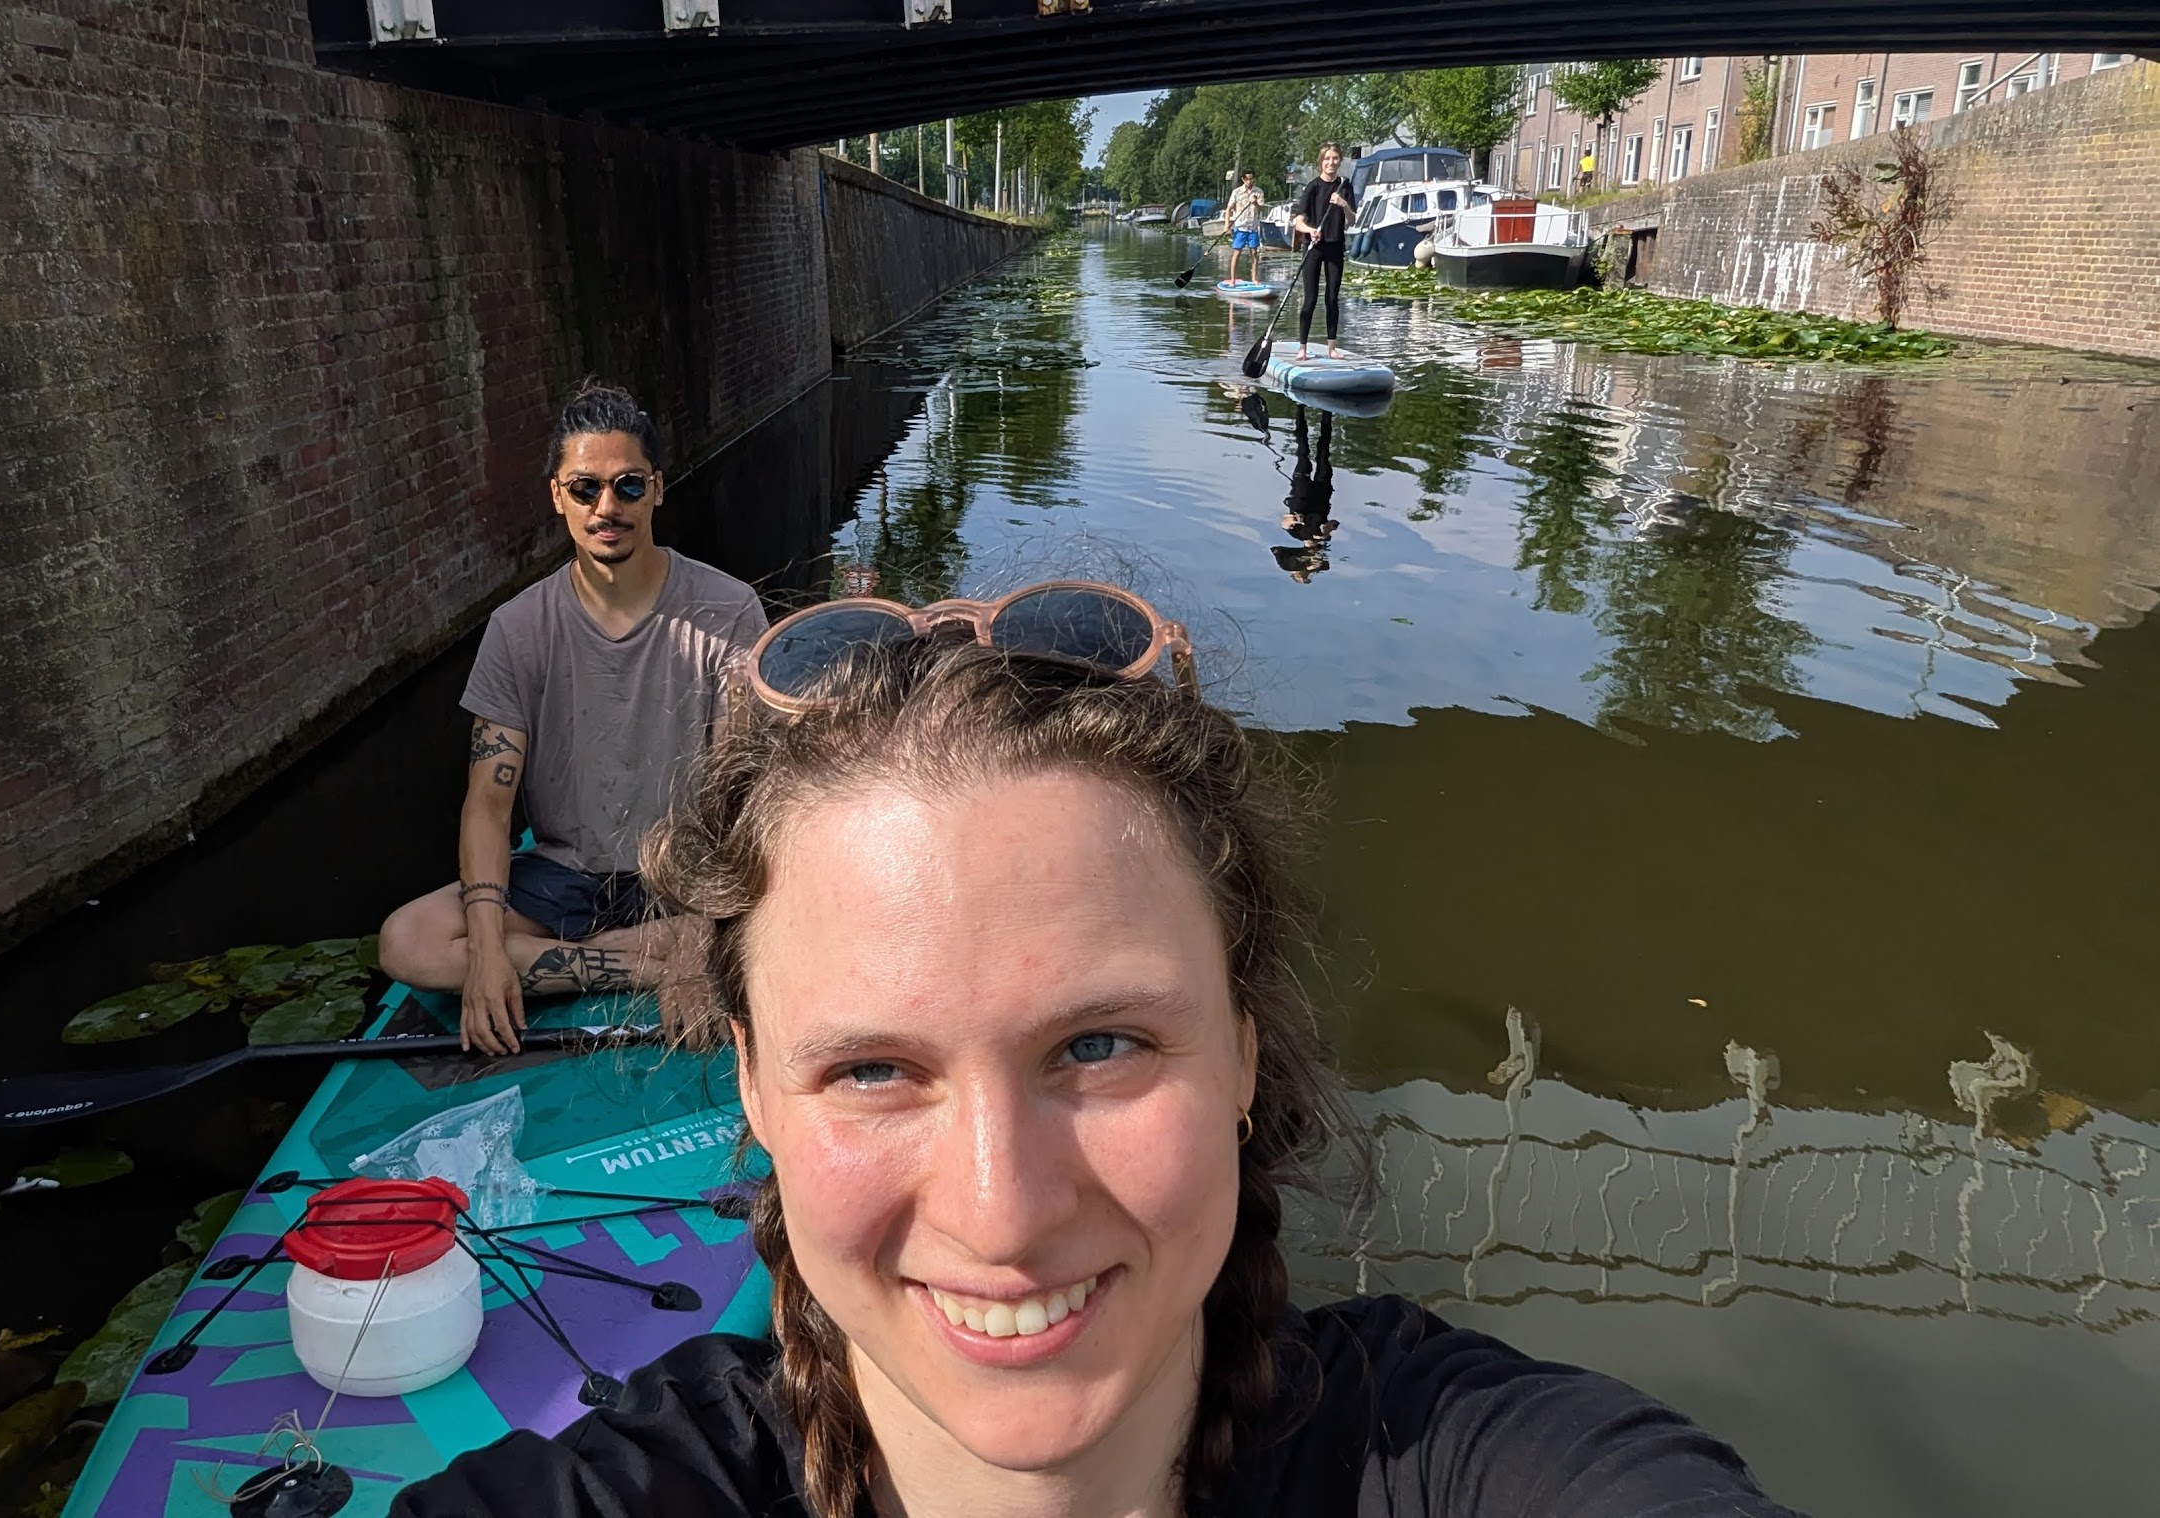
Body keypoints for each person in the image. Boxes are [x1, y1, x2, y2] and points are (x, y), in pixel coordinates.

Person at [390, 587, 1808, 1518]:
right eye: (874, 1069)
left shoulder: (1473, 1464)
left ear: (1247, 1057)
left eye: (1102, 1042)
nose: (1003, 1211)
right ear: (753, 1085)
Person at [377, 379, 768, 1054]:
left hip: (680, 872)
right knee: (408, 943)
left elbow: (741, 797)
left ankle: (661, 946)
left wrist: (704, 925)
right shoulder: (518, 628)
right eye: (585, 488)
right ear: (558, 495)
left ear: (659, 489)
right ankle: (644, 956)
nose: (606, 507)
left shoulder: (727, 612)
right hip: (565, 876)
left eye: (628, 486)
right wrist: (489, 945)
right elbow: (488, 806)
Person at [1289, 142, 1355, 361]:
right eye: (1327, 159)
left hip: (1335, 247)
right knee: (1310, 298)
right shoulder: (1312, 187)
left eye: (1335, 158)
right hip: (1314, 248)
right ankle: (1302, 348)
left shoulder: (1345, 186)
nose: (1331, 162)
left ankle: (1332, 348)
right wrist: (1311, 230)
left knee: (1332, 298)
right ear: (1321, 161)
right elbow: (1298, 222)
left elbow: (1353, 219)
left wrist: (1343, 204)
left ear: (1340, 161)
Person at [1274, 405, 1339, 583]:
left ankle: (1299, 407)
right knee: (1324, 452)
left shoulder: (1297, 534)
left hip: (1302, 492)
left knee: (1303, 451)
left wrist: (1296, 519)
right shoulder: (1321, 535)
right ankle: (1327, 410)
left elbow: (1285, 521)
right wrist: (1327, 530)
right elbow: (1333, 523)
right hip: (1321, 494)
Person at [1224, 170, 1266, 283]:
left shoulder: (1258, 192)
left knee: (1254, 252)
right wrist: (1226, 224)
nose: (1249, 181)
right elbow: (1229, 209)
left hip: (1253, 227)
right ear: (1243, 179)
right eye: (1247, 179)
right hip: (1241, 227)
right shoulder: (1237, 192)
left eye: (1251, 179)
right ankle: (1232, 279)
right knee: (1237, 253)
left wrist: (1255, 203)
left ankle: (1254, 279)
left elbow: (1262, 208)